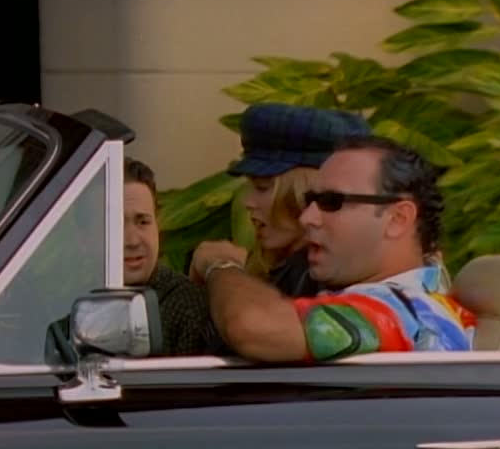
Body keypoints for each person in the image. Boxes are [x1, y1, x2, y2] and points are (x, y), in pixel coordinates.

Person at [191, 135, 475, 362]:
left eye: (332, 202)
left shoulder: (406, 312)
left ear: (398, 219)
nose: (307, 218)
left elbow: (253, 327)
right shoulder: (417, 296)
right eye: (311, 200)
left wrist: (222, 265)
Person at [225, 103, 371, 297]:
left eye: (262, 187)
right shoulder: (293, 267)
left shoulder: (317, 279)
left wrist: (222, 268)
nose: (248, 202)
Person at [122, 157, 208, 355]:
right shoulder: (66, 300)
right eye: (116, 224)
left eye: (143, 222)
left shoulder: (186, 305)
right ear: (84, 237)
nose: (132, 241)